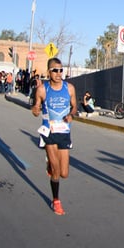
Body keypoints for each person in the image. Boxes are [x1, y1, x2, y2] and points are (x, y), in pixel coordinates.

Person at [31, 58, 77, 215]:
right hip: (49, 132)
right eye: (55, 70)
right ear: (48, 72)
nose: (59, 73)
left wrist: (71, 115)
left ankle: (50, 165)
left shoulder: (69, 88)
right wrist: (36, 110)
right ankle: (56, 201)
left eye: (61, 70)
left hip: (64, 132)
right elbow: (36, 107)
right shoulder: (43, 90)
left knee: (64, 173)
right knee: (56, 172)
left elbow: (74, 106)